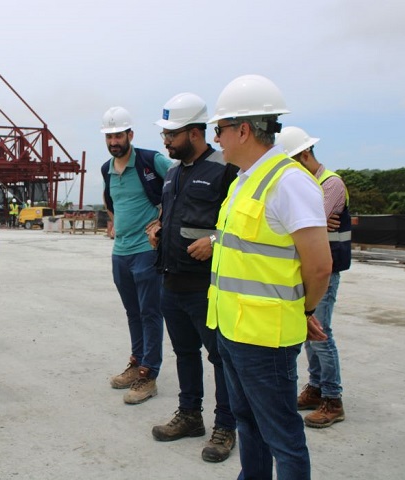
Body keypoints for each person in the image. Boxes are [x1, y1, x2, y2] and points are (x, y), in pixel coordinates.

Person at [205, 74, 332, 479]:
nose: (216, 139)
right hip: (232, 328)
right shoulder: (245, 181)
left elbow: (318, 266)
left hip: (265, 338)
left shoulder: (290, 183)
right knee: (248, 422)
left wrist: (303, 309)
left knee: (283, 435)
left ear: (243, 129)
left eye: (219, 130)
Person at [147, 93, 238, 462]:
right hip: (171, 281)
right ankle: (189, 416)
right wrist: (158, 228)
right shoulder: (172, 173)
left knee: (220, 358)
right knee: (185, 353)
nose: (166, 141)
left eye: (172, 133)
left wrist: (216, 241)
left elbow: (242, 225)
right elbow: (173, 216)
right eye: (165, 134)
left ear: (196, 133)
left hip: (207, 286)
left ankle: (226, 426)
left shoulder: (225, 169)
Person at [276, 126, 351, 428]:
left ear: (305, 154)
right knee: (307, 331)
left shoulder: (330, 183)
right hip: (308, 266)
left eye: (292, 161)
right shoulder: (309, 184)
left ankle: (333, 399)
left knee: (321, 333)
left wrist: (313, 221)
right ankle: (316, 387)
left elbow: (305, 223)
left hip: (326, 269)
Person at [100, 106, 173, 404]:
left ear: (130, 134)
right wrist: (113, 221)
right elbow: (111, 199)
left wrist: (163, 220)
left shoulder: (150, 160)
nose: (114, 141)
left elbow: (178, 187)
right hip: (120, 253)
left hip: (147, 250)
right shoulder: (106, 169)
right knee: (133, 313)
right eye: (109, 136)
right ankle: (137, 360)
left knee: (150, 312)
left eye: (118, 135)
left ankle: (149, 374)